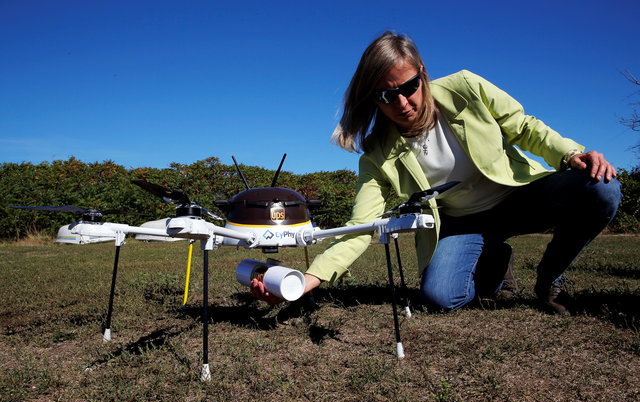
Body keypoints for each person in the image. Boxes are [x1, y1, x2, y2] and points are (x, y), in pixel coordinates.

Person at [251, 31, 622, 315]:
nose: (402, 102)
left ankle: (550, 278)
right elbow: (361, 227)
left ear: (423, 74)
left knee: (602, 189)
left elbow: (524, 127)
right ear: (373, 100)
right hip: (461, 221)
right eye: (385, 96)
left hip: (519, 197)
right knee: (441, 298)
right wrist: (306, 280)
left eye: (409, 87)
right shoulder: (377, 154)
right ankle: (494, 259)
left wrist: (572, 153)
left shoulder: (466, 87)